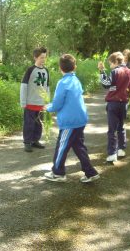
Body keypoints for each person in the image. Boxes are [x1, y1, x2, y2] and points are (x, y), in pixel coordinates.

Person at [43, 54, 100, 183]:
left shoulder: (62, 83)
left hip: (70, 123)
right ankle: (90, 172)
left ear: (60, 68)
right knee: (79, 147)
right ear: (74, 67)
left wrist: (47, 107)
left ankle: (58, 173)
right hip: (80, 120)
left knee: (61, 147)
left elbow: (57, 104)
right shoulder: (76, 80)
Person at [98, 52, 130, 162]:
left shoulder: (115, 72)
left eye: (110, 64)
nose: (110, 66)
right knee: (121, 127)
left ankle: (112, 153)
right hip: (124, 103)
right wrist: (126, 92)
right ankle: (121, 149)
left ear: (115, 62)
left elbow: (106, 84)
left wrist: (101, 71)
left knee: (112, 129)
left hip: (113, 103)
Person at [20, 47, 50, 152]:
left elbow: (47, 87)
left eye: (44, 58)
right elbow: (24, 86)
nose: (43, 60)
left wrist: (47, 101)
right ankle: (27, 142)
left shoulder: (46, 71)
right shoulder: (30, 70)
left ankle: (35, 140)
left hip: (41, 103)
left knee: (38, 123)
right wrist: (23, 101)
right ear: (35, 57)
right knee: (29, 123)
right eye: (41, 58)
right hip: (30, 103)